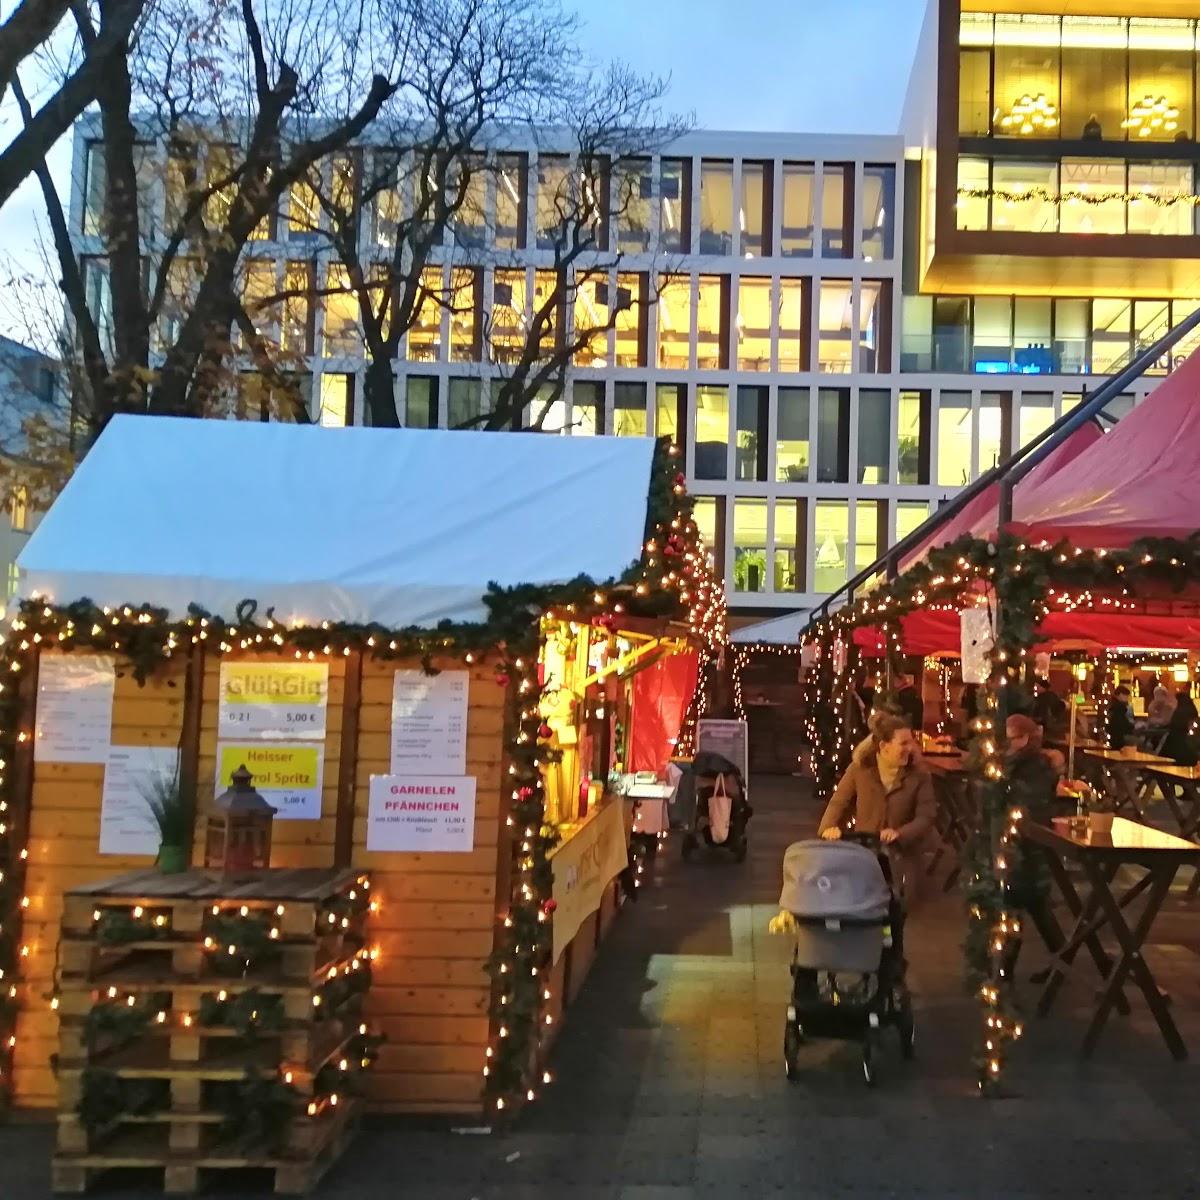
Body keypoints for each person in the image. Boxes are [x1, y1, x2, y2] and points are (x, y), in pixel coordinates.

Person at [818, 711, 936, 896]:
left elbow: (926, 816)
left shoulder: (919, 775)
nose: (911, 748)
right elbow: (839, 802)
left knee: (898, 905)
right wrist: (828, 828)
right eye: (903, 743)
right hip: (865, 851)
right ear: (884, 746)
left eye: (911, 742)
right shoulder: (860, 769)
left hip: (902, 857)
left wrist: (900, 833)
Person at [1003, 714, 1065, 982]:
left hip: (1029, 843)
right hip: (1027, 842)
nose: (1009, 743)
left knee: (1020, 902)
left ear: (1025, 738)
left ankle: (1006, 971)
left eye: (1013, 737)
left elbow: (1030, 803)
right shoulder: (1025, 764)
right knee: (1033, 906)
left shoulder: (1033, 767)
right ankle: (1061, 962)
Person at [1031, 677, 1067, 742]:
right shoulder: (1053, 696)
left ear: (1042, 688)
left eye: (1037, 687)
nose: (1035, 689)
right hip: (1054, 728)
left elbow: (1041, 715)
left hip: (1046, 727)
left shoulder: (1041, 699)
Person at [1108, 685, 1136, 749]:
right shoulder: (1119, 707)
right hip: (1120, 737)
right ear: (1120, 695)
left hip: (1114, 736)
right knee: (1142, 744)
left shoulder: (1112, 705)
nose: (1127, 698)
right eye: (1126, 696)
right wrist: (1133, 727)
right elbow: (1123, 724)